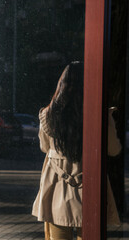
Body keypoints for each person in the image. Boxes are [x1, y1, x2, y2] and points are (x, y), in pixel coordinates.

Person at [32, 61, 121, 240]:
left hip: (56, 188)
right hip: (90, 191)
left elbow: (44, 147)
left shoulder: (48, 115)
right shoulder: (100, 116)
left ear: (62, 84)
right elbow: (113, 150)